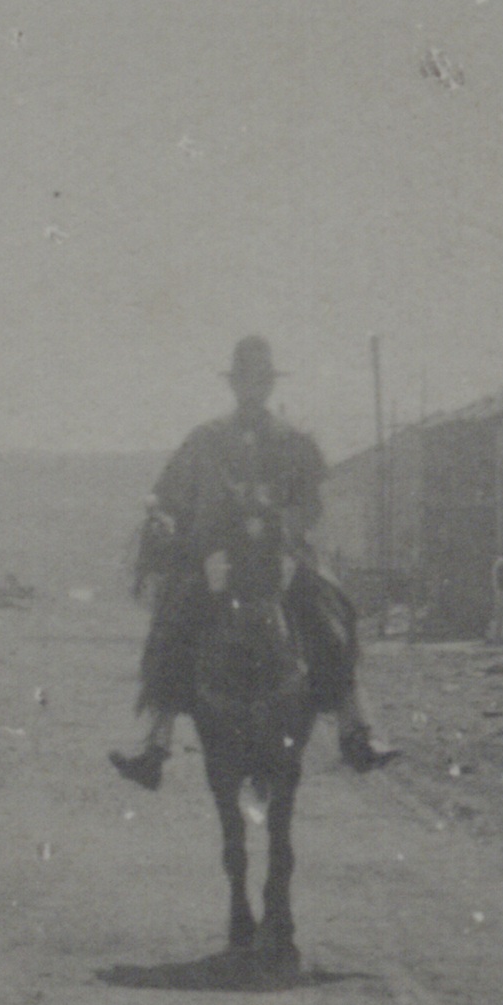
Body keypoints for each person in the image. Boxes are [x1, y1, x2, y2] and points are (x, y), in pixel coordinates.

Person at [109, 336, 388, 785]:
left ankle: (356, 729)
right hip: (214, 557)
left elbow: (311, 505)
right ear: (233, 384)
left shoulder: (295, 442)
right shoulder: (205, 440)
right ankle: (155, 743)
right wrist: (161, 516)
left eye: (261, 379)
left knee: (334, 611)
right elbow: (169, 494)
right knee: (171, 619)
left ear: (270, 384)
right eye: (245, 379)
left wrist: (287, 527)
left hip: (279, 554)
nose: (253, 387)